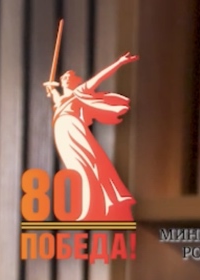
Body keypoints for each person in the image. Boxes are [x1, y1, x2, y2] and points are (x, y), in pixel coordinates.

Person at [43, 51, 138, 222]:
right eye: (64, 77)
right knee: (75, 166)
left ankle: (96, 205)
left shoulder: (80, 91)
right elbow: (59, 102)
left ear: (75, 81)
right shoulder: (62, 99)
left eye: (69, 76)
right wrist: (51, 90)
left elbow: (100, 77)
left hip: (73, 128)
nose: (66, 78)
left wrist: (119, 62)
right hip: (62, 131)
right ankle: (88, 206)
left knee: (87, 163)